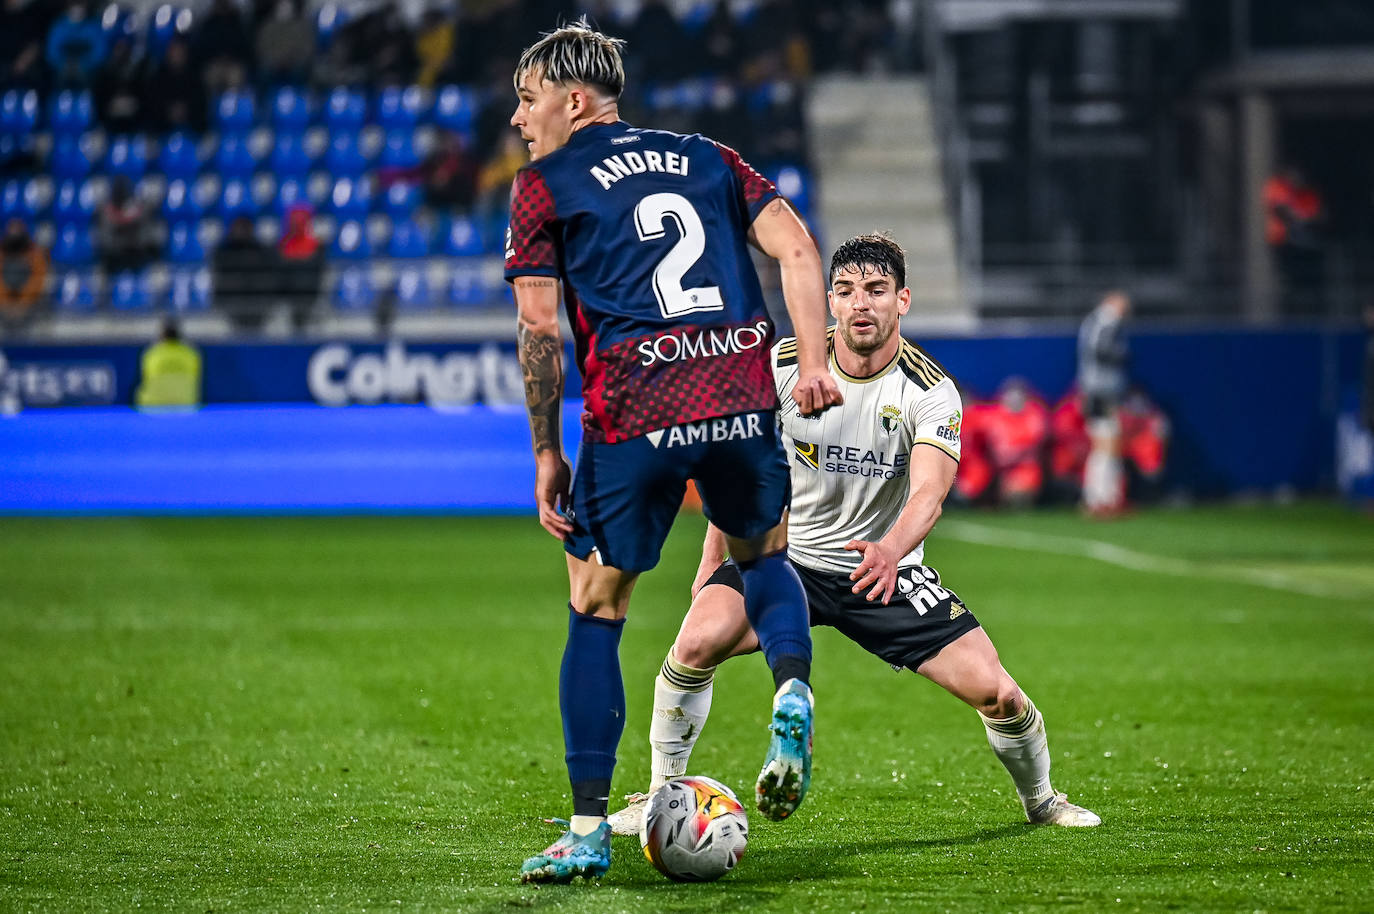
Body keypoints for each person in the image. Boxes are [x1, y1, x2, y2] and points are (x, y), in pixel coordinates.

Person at [608, 233, 1101, 838]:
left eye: (875, 290)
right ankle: (660, 794)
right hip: (782, 559)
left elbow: (929, 492)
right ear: (829, 303)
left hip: (882, 570)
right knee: (690, 647)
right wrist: (711, 564)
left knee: (999, 695)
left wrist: (892, 550)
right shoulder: (781, 370)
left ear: (903, 301)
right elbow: (739, 478)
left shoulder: (929, 390)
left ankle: (1043, 802)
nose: (860, 303)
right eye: (845, 291)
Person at [504, 20, 841, 884]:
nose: (518, 118)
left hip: (638, 401)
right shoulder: (712, 155)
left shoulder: (543, 185)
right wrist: (811, 365)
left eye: (528, 98)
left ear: (573, 100)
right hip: (737, 387)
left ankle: (585, 830)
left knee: (596, 606)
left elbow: (539, 326)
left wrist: (547, 451)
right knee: (764, 558)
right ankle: (792, 688)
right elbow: (798, 248)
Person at [1077, 289, 1130, 516]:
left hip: (1101, 391)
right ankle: (1098, 498)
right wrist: (1122, 353)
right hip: (1100, 392)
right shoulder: (1104, 322)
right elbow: (1100, 351)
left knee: (1109, 444)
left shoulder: (1099, 323)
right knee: (1104, 445)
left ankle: (1107, 497)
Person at [135, 319, 201, 409]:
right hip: (185, 403)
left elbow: (146, 377)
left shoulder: (152, 354)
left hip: (153, 404)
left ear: (161, 336)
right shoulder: (191, 354)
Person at [0, 218, 47, 336]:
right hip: (3, 308)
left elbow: (38, 281)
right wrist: (6, 304)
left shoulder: (35, 254)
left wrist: (23, 303)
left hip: (30, 308)